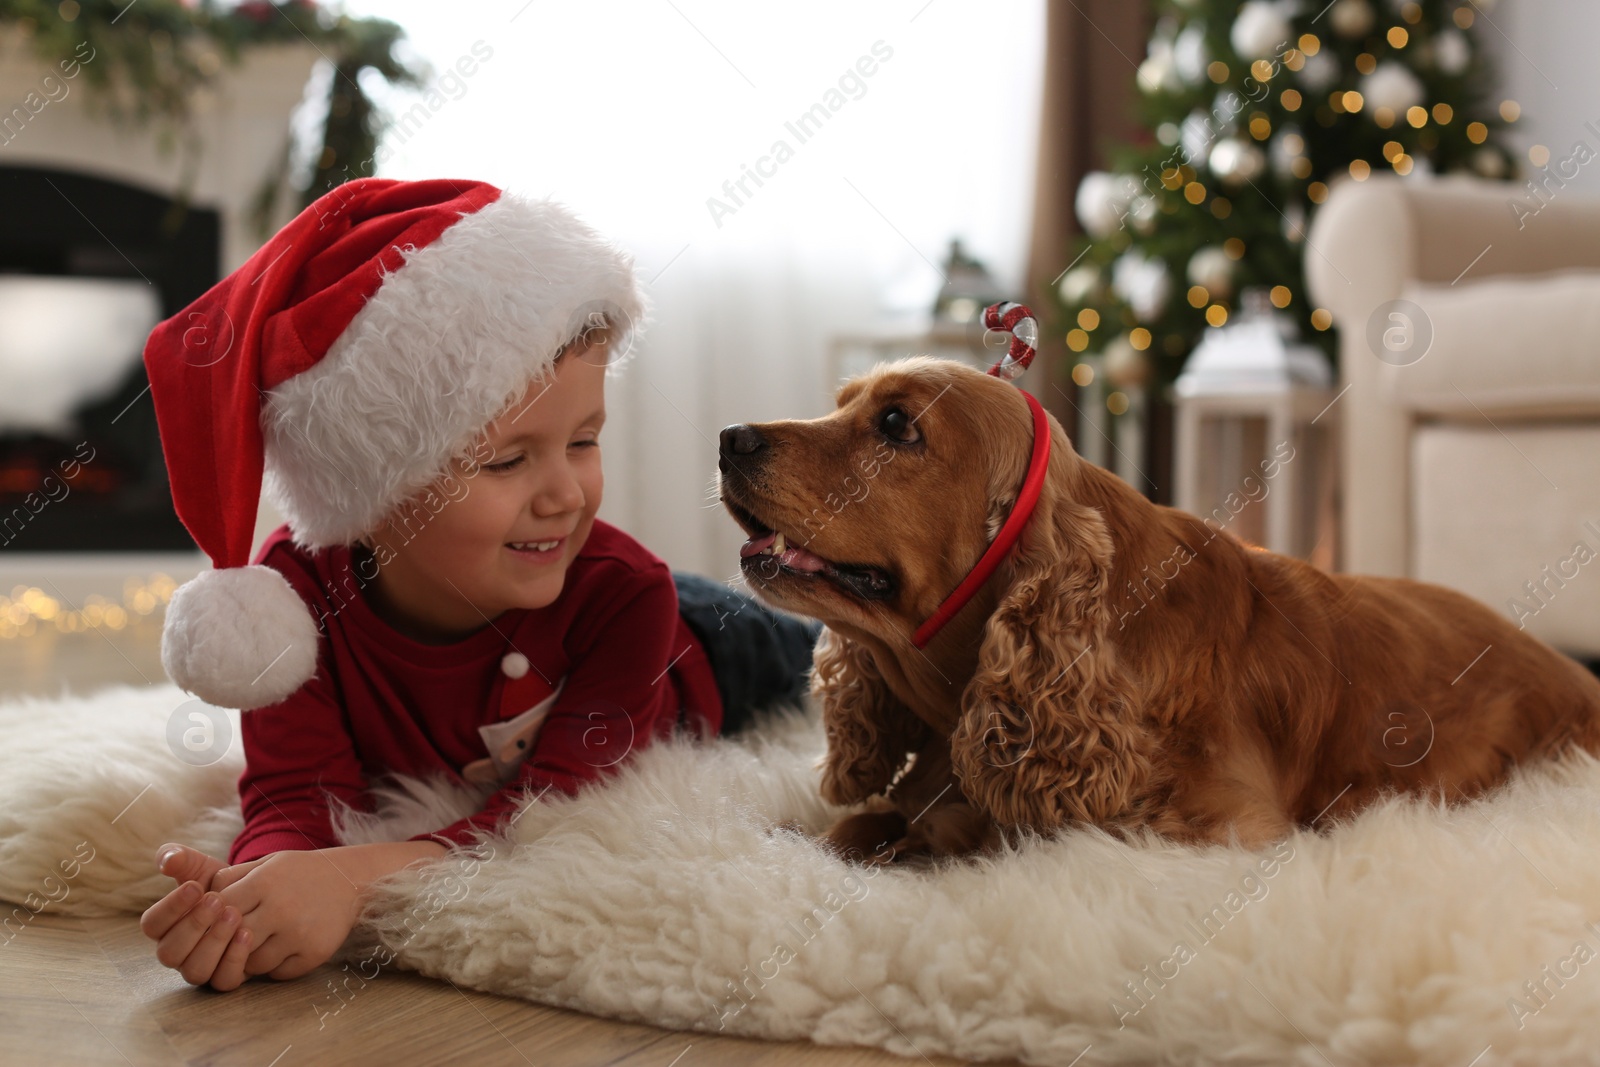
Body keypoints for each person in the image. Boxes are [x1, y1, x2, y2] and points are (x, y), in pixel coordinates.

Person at [135, 178, 820, 992]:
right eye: (506, 460)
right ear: (373, 486)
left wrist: (355, 878)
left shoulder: (627, 597)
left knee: (850, 658)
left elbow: (553, 812)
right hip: (589, 589)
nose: (565, 493)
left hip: (704, 644)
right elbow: (293, 795)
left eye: (584, 440)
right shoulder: (290, 610)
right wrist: (258, 891)